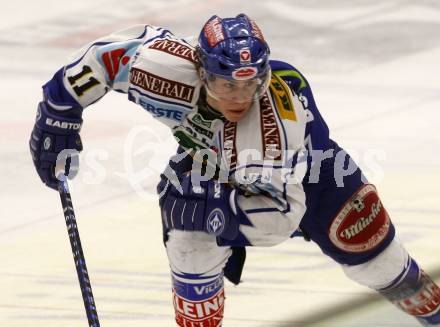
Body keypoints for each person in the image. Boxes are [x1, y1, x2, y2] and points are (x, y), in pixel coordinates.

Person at [29, 14, 440, 326]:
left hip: (317, 181)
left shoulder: (273, 127)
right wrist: (58, 113)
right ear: (200, 70)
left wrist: (212, 210)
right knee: (190, 249)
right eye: (227, 84)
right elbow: (102, 61)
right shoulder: (161, 68)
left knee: (386, 269)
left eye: (250, 84)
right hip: (209, 164)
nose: (240, 96)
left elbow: (282, 217)